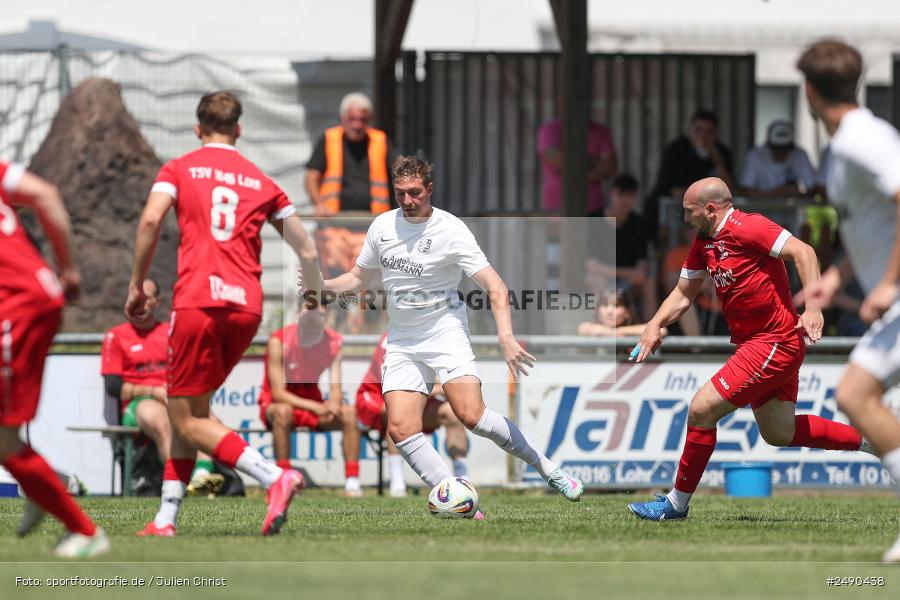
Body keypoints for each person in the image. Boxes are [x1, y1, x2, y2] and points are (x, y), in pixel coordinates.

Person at [320, 153, 584, 514]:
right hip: (402, 338)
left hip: (445, 331)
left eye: (415, 192)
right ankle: (463, 504)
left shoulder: (452, 229)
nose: (409, 201)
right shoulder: (382, 227)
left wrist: (506, 337)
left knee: (471, 415)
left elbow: (495, 286)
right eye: (401, 194)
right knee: (400, 427)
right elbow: (358, 279)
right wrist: (323, 286)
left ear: (429, 189)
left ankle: (547, 468)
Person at [126, 91, 324, 537]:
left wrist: (137, 284)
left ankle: (274, 476)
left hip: (199, 302)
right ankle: (165, 519)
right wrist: (311, 306)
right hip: (245, 307)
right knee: (191, 410)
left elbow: (149, 222)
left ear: (197, 129)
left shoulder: (178, 168)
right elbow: (308, 250)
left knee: (185, 417)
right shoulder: (263, 182)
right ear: (240, 129)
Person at [627, 177, 874, 521]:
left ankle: (676, 504)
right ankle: (874, 441)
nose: (685, 220)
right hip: (761, 344)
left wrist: (814, 309)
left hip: (774, 341)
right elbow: (684, 293)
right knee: (778, 433)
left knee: (701, 409)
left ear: (710, 210)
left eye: (689, 212)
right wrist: (654, 324)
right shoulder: (704, 241)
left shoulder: (749, 227)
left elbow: (804, 252)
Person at [797, 39, 900, 563]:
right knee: (855, 396)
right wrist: (837, 276)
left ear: (810, 91)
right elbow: (871, 226)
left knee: (856, 396)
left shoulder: (863, 139)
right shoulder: (843, 147)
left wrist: (886, 283)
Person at [0, 161, 109, 557]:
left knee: (3, 439)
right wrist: (68, 269)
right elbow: (46, 194)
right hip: (36, 294)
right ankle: (41, 488)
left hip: (16, 306)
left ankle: (85, 531)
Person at [102, 278, 224, 497]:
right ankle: (177, 485)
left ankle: (202, 477)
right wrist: (154, 391)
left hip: (173, 395)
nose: (141, 303)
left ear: (157, 301)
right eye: (136, 297)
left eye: (147, 297)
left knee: (207, 419)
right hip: (138, 403)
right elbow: (113, 387)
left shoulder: (170, 332)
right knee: (163, 420)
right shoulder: (116, 336)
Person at [259, 304, 362, 496]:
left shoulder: (334, 342)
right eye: (309, 312)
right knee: (283, 412)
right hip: (279, 405)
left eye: (320, 314)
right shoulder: (278, 341)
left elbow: (336, 388)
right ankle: (284, 480)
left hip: (311, 403)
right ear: (299, 314)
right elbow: (278, 394)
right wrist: (317, 407)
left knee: (350, 413)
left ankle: (352, 483)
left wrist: (334, 403)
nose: (314, 318)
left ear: (326, 316)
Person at [356, 333, 470, 497]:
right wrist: (439, 386)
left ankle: (463, 479)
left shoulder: (438, 335)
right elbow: (396, 383)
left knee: (452, 414)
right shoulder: (391, 339)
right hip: (378, 396)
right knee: (395, 413)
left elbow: (448, 381)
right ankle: (397, 483)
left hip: (419, 394)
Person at [646, 110, 735, 243]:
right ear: (690, 131)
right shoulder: (676, 149)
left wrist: (716, 160)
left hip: (709, 210)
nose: (703, 136)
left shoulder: (722, 152)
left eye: (709, 132)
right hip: (676, 206)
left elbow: (729, 189)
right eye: (698, 130)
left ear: (716, 134)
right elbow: (671, 187)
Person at [305, 92, 397, 217]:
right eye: (352, 119)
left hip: (374, 223)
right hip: (334, 223)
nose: (357, 125)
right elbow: (311, 178)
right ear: (342, 118)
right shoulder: (329, 139)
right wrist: (319, 204)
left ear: (370, 119)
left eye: (362, 119)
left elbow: (400, 174)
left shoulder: (380, 140)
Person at [584, 174, 653, 315]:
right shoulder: (593, 221)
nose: (624, 200)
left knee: (649, 284)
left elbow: (641, 262)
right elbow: (591, 266)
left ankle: (650, 329)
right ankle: (598, 326)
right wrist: (627, 273)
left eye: (630, 195)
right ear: (612, 194)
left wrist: (639, 272)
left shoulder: (639, 224)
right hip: (601, 276)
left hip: (627, 281)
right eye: (621, 194)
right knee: (596, 280)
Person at [537, 97, 617, 216]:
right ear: (561, 106)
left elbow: (610, 166)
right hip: (557, 205)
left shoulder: (601, 130)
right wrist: (595, 161)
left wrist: (572, 167)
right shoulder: (549, 130)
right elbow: (558, 161)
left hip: (593, 205)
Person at [739, 120, 817, 198]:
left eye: (786, 149)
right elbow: (744, 190)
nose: (782, 153)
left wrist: (798, 194)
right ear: (768, 146)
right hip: (760, 207)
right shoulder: (755, 155)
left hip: (793, 207)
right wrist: (772, 194)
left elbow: (813, 188)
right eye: (777, 149)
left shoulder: (800, 155)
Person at [577, 288, 667, 338]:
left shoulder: (632, 329)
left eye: (616, 306)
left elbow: (662, 330)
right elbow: (583, 328)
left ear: (627, 312)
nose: (609, 311)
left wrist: (618, 331)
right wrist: (611, 333)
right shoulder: (590, 327)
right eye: (605, 305)